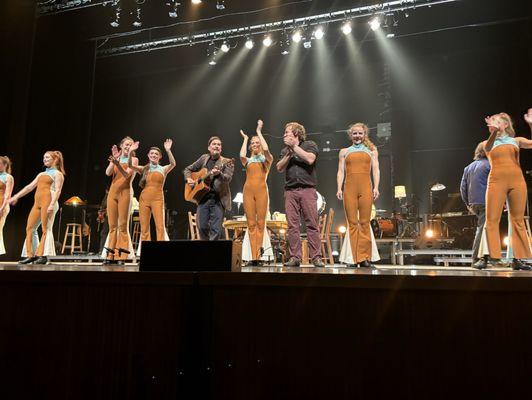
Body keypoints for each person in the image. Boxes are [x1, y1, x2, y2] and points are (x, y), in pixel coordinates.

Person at [476, 109, 532, 270]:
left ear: (506, 124)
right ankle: (489, 257)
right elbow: (488, 147)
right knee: (491, 219)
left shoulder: (516, 140)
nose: (492, 123)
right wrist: (493, 131)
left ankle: (517, 259)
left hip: (517, 181)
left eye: (497, 120)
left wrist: (530, 124)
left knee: (517, 220)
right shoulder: (486, 143)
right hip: (496, 181)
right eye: (491, 121)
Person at [276, 122, 324, 267]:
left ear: (296, 133)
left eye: (287, 132)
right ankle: (295, 257)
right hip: (290, 191)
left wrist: (294, 147)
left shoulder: (309, 144)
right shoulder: (285, 150)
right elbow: (279, 167)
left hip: (307, 190)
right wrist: (289, 154)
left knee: (312, 224)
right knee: (292, 226)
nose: (284, 134)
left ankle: (316, 257)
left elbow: (310, 159)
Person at [8, 151, 65, 264]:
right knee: (30, 228)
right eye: (44, 157)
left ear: (55, 160)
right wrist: (16, 196)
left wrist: (52, 204)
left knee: (45, 229)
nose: (44, 159)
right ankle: (31, 255)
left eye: (47, 157)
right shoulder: (41, 174)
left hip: (49, 202)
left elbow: (58, 190)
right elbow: (29, 187)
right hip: (37, 203)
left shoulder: (58, 174)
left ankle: (42, 256)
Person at [336, 123, 380, 268]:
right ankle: (354, 258)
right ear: (350, 135)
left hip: (366, 188)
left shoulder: (372, 150)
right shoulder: (344, 151)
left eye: (360, 133)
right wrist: (339, 188)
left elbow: (376, 170)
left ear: (364, 134)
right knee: (352, 223)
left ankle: (364, 257)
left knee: (365, 223)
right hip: (349, 189)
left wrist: (376, 187)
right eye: (354, 133)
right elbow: (341, 171)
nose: (357, 136)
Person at [129, 139, 176, 254]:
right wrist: (131, 151)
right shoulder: (144, 168)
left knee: (160, 226)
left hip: (158, 199)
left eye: (156, 154)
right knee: (144, 228)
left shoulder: (163, 169)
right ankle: (147, 253)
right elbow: (130, 165)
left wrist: (168, 150)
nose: (154, 155)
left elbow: (173, 164)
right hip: (144, 199)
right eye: (152, 153)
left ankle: (161, 253)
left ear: (160, 157)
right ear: (148, 155)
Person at [184, 136, 234, 240]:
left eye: (219, 144)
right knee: (201, 227)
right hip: (203, 199)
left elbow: (228, 178)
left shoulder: (227, 161)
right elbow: (188, 169)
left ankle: (212, 254)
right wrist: (189, 179)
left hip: (218, 200)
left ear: (221, 148)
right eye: (214, 144)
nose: (216, 146)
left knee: (216, 230)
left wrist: (219, 173)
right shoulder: (204, 158)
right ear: (209, 148)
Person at [240, 120, 274, 266]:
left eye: (257, 142)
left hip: (261, 192)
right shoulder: (247, 161)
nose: (255, 144)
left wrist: (259, 132)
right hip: (247, 192)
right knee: (251, 224)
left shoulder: (267, 160)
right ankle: (251, 256)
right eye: (252, 143)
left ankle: (259, 256)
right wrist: (246, 139)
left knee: (261, 224)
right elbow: (241, 155)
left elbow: (266, 150)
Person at [103, 136, 138, 262]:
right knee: (112, 226)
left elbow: (126, 175)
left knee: (122, 225)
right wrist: (114, 161)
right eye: (126, 144)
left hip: (125, 192)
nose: (128, 147)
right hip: (113, 193)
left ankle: (121, 256)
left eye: (130, 145)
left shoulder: (134, 160)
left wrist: (118, 164)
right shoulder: (116, 158)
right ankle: (109, 255)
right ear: (121, 146)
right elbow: (107, 172)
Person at [460, 142, 490, 267]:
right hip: (486, 201)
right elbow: (494, 184)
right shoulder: (489, 165)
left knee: (485, 229)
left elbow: (462, 188)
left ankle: (486, 257)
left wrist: (467, 204)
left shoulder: (468, 167)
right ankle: (477, 258)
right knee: (483, 229)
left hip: (473, 203)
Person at [0, 156, 14, 256]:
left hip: (2, 204)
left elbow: (7, 194)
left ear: (5, 165)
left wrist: (2, 207)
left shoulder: (8, 177)